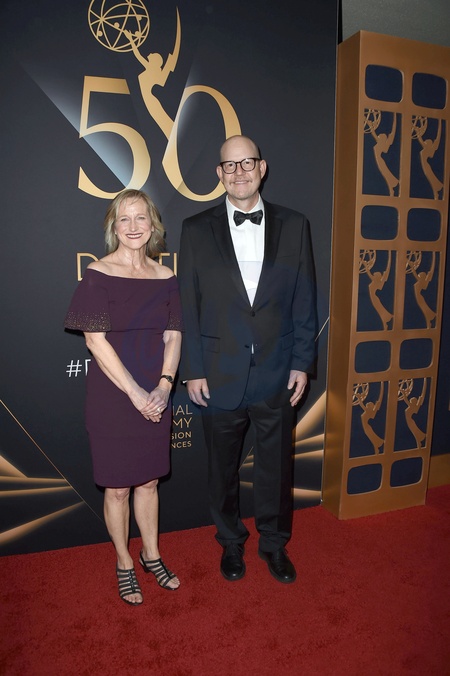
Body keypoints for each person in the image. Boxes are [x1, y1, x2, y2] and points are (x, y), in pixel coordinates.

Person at [178, 135, 316, 584]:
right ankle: (230, 542)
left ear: (262, 167)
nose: (239, 172)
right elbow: (188, 304)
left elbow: (304, 300)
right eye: (230, 165)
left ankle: (274, 544)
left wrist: (302, 362)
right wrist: (192, 369)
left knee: (277, 468)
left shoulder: (295, 225)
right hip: (218, 373)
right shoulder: (195, 229)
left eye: (247, 163)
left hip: (277, 371)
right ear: (219, 174)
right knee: (222, 470)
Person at [65, 189, 182, 605]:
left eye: (141, 218)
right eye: (125, 219)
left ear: (153, 225)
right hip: (114, 394)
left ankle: (151, 554)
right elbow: (94, 341)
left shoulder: (166, 277)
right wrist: (134, 392)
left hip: (156, 391)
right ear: (113, 227)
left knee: (149, 481)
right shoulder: (98, 274)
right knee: (116, 489)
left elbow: (173, 336)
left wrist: (164, 386)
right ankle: (124, 561)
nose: (134, 226)